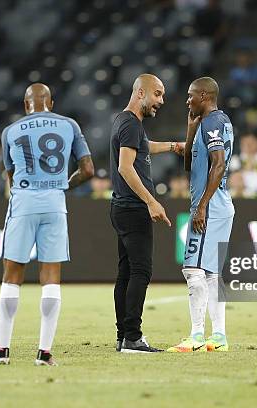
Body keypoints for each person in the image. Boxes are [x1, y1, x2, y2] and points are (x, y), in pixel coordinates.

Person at [0, 83, 94, 366]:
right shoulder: (68, 125)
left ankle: (2, 352)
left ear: (25, 105)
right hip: (55, 204)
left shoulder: (11, 131)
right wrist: (62, 187)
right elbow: (88, 170)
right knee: (51, 276)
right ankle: (44, 354)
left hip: (23, 202)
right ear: (51, 103)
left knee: (11, 275)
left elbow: (9, 173)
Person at [110, 74, 184, 353]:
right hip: (132, 208)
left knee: (126, 273)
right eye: (157, 94)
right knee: (141, 271)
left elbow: (145, 146)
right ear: (140, 92)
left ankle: (123, 336)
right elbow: (125, 167)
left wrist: (175, 146)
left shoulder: (126, 121)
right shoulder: (131, 124)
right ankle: (132, 337)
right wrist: (151, 201)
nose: (161, 101)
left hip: (121, 207)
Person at [167, 77, 234, 353]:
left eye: (191, 96)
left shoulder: (212, 123)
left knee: (192, 270)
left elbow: (218, 165)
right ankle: (218, 337)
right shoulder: (215, 122)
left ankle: (196, 336)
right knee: (210, 274)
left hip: (212, 206)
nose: (187, 101)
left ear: (204, 95)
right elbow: (189, 165)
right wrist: (189, 131)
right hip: (219, 205)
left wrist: (202, 205)